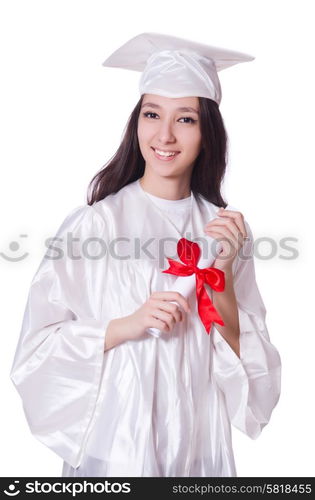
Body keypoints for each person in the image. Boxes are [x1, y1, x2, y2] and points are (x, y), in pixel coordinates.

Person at [10, 32, 281, 477]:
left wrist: (225, 272)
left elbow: (248, 361)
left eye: (186, 119)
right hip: (118, 442)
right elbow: (37, 346)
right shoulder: (96, 225)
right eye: (152, 114)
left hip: (198, 444)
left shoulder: (225, 231)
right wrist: (127, 324)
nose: (165, 135)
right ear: (137, 121)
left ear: (207, 131)